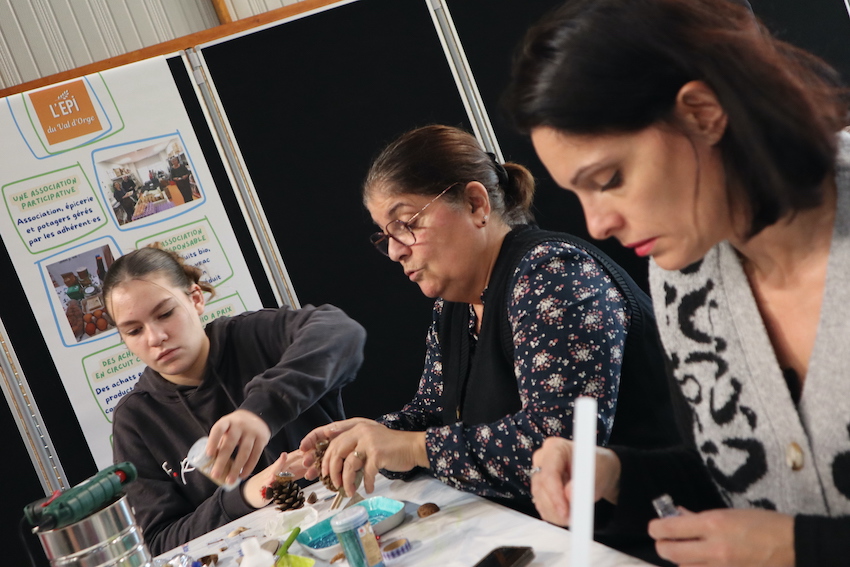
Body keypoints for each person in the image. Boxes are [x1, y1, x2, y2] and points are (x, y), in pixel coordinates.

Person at [503, 0, 850, 565]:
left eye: (610, 179)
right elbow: (731, 474)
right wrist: (612, 473)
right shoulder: (683, 280)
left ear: (702, 112)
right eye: (578, 195)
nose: (597, 225)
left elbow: (780, 533)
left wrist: (795, 546)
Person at [299, 124, 679, 523]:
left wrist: (411, 447)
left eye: (407, 224)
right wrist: (368, 437)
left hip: (651, 533)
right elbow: (430, 414)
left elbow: (557, 447)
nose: (395, 251)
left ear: (476, 204)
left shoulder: (552, 275)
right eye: (386, 235)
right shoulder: (454, 309)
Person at [104, 245, 366, 554]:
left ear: (195, 298)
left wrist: (261, 411)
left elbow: (342, 332)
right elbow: (160, 540)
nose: (155, 337)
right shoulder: (136, 419)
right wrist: (246, 495)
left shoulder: (253, 336)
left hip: (346, 525)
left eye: (165, 314)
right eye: (134, 331)